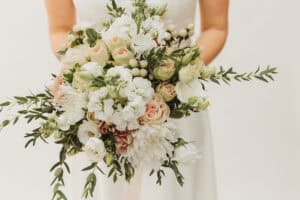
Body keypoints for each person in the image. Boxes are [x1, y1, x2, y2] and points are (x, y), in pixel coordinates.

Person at [45, 0, 229, 199]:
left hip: (175, 103)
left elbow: (215, 28)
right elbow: (60, 29)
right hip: (97, 110)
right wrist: (83, 67)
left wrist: (172, 73)